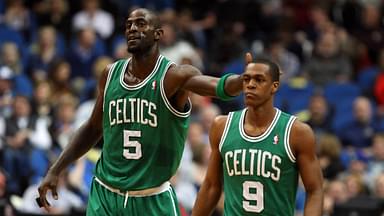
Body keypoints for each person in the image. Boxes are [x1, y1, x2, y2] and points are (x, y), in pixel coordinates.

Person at [37, 8, 245, 215]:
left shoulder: (174, 76)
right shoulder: (110, 74)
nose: (133, 29)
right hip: (105, 194)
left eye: (141, 24)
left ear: (158, 34)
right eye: (128, 25)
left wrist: (242, 80)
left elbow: (220, 88)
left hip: (151, 198)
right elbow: (92, 128)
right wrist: (56, 169)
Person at [192, 58, 324, 216]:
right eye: (246, 79)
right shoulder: (222, 126)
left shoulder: (296, 132)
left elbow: (315, 190)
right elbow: (211, 186)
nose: (250, 85)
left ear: (274, 86)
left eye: (259, 80)